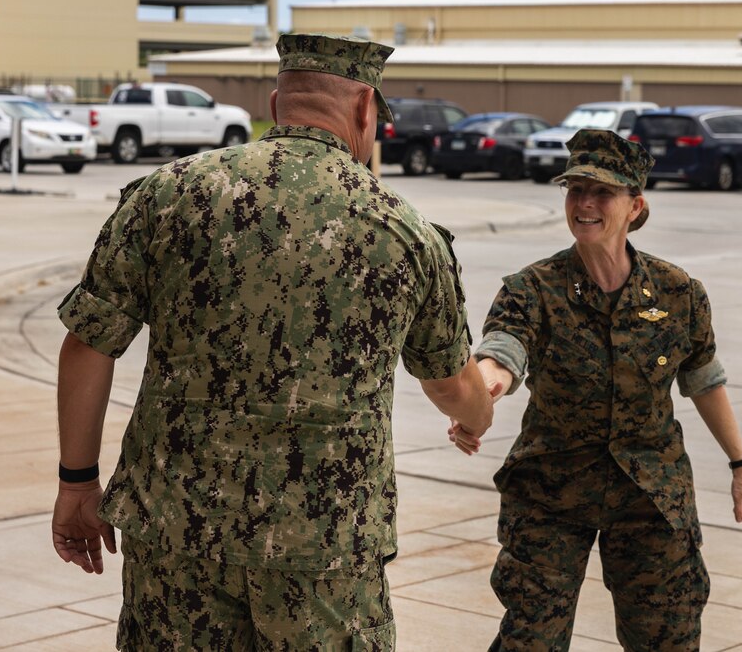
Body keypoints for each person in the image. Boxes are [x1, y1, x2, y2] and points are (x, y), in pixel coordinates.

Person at [52, 32, 495, 650]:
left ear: (276, 101)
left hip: (178, 536)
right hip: (324, 554)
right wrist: (479, 414)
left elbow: (89, 345)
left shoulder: (168, 194)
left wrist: (78, 480)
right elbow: (451, 384)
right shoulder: (405, 231)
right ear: (366, 109)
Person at [466, 128, 742, 651]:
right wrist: (488, 382)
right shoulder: (532, 287)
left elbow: (703, 380)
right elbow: (505, 345)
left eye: (602, 192)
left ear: (635, 206)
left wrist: (741, 466)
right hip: (552, 489)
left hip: (651, 492)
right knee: (530, 639)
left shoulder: (678, 292)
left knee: (667, 638)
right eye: (575, 190)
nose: (584, 203)